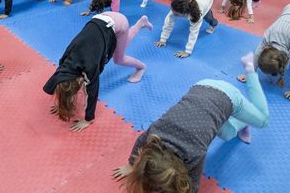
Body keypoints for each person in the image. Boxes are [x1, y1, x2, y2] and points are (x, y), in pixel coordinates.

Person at [112, 53, 269, 193]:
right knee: (227, 135)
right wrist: (131, 165)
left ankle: (250, 69)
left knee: (262, 121)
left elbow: (193, 185)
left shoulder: (195, 152)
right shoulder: (155, 132)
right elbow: (140, 141)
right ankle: (244, 122)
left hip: (227, 96)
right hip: (201, 87)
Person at [43, 12, 153, 132]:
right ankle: (141, 23)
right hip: (100, 19)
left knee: (119, 59)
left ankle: (141, 67)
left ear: (80, 79)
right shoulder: (65, 62)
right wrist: (62, 102)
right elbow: (58, 79)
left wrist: (87, 119)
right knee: (122, 44)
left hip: (119, 23)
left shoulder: (90, 67)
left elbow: (92, 92)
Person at [155, 0, 232, 58]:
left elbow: (193, 33)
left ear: (185, 13)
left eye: (175, 13)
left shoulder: (197, 14)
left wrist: (187, 51)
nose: (172, 13)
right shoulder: (178, 5)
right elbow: (168, 23)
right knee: (202, 12)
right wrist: (163, 39)